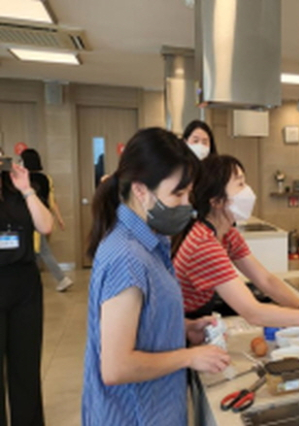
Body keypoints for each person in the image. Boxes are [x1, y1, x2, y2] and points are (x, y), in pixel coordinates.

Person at [82, 128, 231, 425]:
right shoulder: (126, 256)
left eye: (188, 193)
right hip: (134, 415)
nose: (188, 205)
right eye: (177, 193)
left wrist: (182, 327)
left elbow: (141, 319)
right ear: (140, 190)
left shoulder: (151, 241)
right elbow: (116, 366)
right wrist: (189, 357)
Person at [173, 155, 299, 349]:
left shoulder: (227, 233)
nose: (247, 191)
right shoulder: (204, 244)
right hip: (179, 330)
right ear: (216, 201)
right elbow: (253, 312)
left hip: (196, 326)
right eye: (239, 184)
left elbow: (266, 280)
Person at [0, 157, 53, 425]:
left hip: (24, 285)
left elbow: (46, 226)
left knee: (26, 367)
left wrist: (27, 189)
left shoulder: (17, 191)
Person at [20, 148, 73, 292]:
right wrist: (59, 219)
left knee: (41, 250)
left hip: (29, 220)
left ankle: (62, 278)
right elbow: (52, 201)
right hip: (44, 219)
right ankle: (33, 282)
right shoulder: (46, 178)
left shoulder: (21, 179)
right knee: (37, 251)